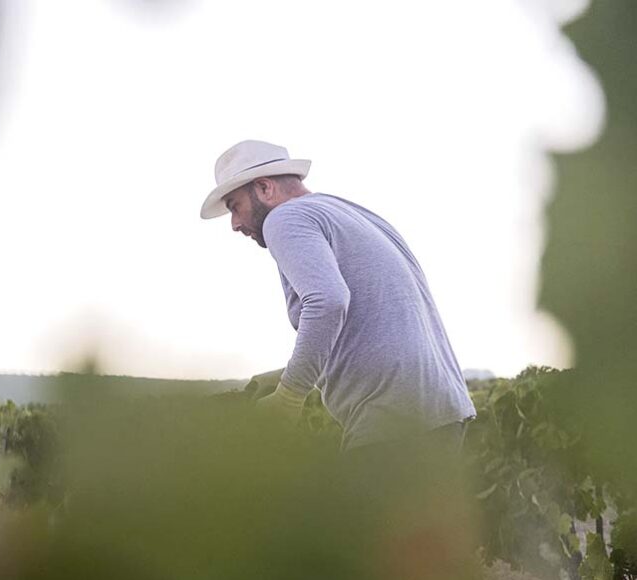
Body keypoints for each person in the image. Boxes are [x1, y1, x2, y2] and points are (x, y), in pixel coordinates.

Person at [202, 140, 477, 453]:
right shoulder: (356, 215)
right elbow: (372, 325)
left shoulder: (285, 217)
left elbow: (327, 302)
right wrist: (281, 377)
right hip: (442, 413)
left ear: (264, 188)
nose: (235, 224)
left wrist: (289, 397)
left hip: (390, 422)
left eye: (235, 206)